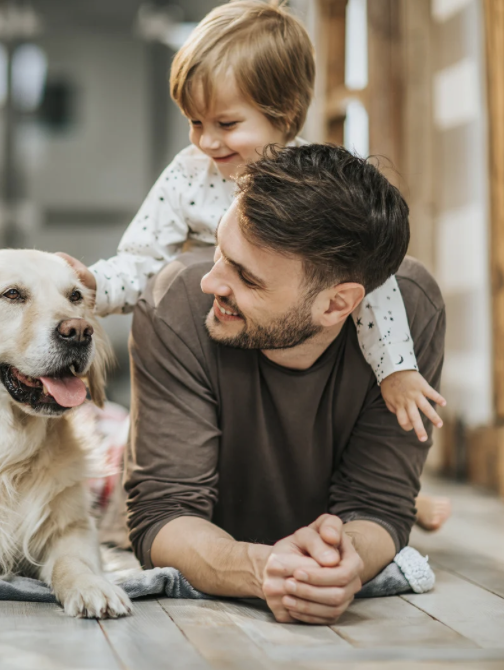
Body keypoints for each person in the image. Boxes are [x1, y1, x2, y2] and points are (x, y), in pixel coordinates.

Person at [60, 0, 450, 529]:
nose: (206, 140)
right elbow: (141, 259)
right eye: (194, 122)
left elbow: (371, 280)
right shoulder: (189, 175)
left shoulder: (317, 189)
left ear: (284, 115)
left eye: (225, 122)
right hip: (227, 352)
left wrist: (397, 369)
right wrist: (93, 287)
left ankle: (402, 497)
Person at [125, 143, 445, 624]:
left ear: (338, 305)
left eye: (247, 279)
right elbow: (162, 514)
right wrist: (263, 568)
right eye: (219, 250)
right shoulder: (177, 304)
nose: (211, 283)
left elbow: (378, 505)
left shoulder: (413, 313)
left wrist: (344, 562)